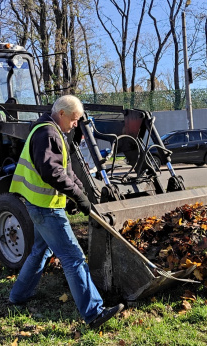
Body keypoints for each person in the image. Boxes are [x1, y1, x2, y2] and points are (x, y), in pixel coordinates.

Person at [8, 95, 124, 329]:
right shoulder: (47, 133)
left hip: (41, 204)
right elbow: (51, 172)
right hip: (45, 207)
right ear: (62, 114)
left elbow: (66, 169)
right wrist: (77, 197)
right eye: (74, 119)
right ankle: (93, 313)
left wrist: (79, 194)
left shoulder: (54, 131)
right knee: (73, 257)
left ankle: (18, 296)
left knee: (41, 250)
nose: (75, 124)